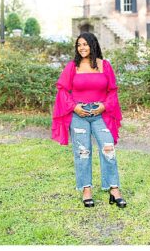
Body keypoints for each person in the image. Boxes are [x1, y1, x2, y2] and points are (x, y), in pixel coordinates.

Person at [51, 32, 126, 208]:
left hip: (101, 114)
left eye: (85, 44)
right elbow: (62, 90)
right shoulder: (72, 67)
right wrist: (74, 107)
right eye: (79, 45)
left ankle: (114, 190)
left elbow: (112, 91)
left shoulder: (104, 65)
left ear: (93, 45)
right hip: (79, 115)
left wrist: (104, 106)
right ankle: (86, 190)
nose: (82, 48)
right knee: (83, 153)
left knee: (108, 149)